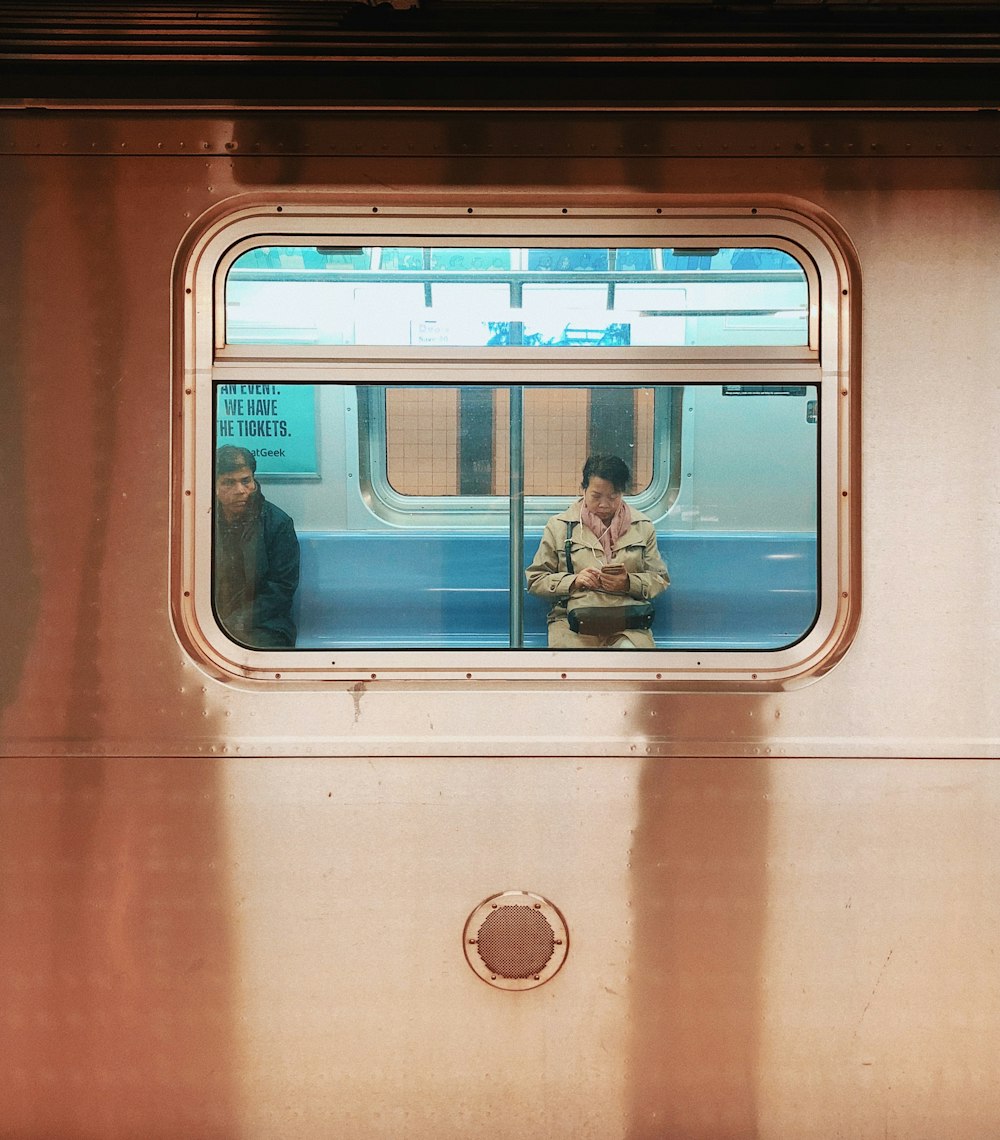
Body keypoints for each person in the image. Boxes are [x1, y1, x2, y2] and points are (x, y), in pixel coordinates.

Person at [526, 454, 669, 648]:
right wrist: (573, 581)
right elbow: (536, 580)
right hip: (574, 620)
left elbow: (659, 579)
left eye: (613, 496)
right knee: (580, 668)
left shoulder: (642, 527)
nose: (604, 504)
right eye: (596, 496)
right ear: (583, 489)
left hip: (626, 621)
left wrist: (628, 583)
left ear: (622, 493)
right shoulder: (559, 526)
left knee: (631, 657)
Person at [214, 445, 300, 648]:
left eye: (246, 481)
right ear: (213, 485)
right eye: (228, 483)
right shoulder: (201, 520)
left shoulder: (277, 523)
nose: (240, 491)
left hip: (265, 623)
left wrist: (237, 622)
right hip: (211, 618)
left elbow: (281, 588)